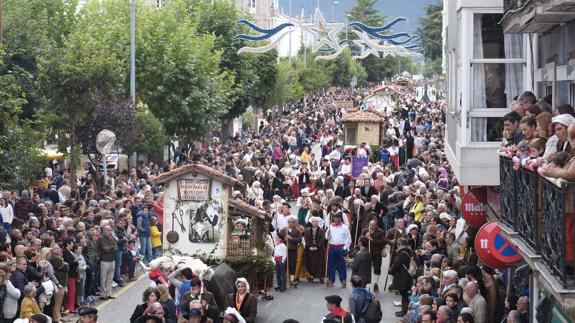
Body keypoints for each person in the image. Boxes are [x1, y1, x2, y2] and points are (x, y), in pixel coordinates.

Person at [325, 212, 351, 288]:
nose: (336, 219)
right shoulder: (330, 226)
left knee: (341, 265)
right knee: (331, 264)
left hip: (341, 247)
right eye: (334, 218)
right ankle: (331, 280)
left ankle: (343, 280)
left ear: (340, 219)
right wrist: (328, 234)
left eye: (337, 218)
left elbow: (348, 239)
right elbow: (326, 238)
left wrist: (344, 248)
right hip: (332, 247)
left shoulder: (344, 227)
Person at [389, 238, 413, 317]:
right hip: (404, 276)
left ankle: (404, 312)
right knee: (404, 295)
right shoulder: (406, 252)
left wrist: (391, 270)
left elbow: (397, 264)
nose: (397, 246)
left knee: (404, 295)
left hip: (403, 277)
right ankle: (403, 311)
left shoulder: (402, 253)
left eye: (398, 244)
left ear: (401, 244)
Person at [361, 219, 385, 292]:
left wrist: (371, 239)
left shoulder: (380, 232)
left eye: (373, 225)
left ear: (376, 225)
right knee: (365, 268)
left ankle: (375, 283)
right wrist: (365, 237)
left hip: (377, 252)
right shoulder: (365, 231)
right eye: (370, 225)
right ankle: (365, 284)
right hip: (367, 252)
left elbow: (382, 243)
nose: (371, 227)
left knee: (377, 267)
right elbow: (362, 241)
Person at [280, 217, 302, 288]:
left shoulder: (297, 231)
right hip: (284, 250)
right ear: (288, 223)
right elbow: (279, 237)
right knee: (284, 264)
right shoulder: (283, 230)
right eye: (289, 222)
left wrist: (291, 238)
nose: (291, 224)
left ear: (294, 223)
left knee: (292, 264)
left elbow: (299, 240)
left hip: (292, 249)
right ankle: (284, 279)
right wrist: (283, 238)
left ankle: (292, 280)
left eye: (292, 222)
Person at [97, 224, 118, 300]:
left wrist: (110, 248)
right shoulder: (101, 238)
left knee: (110, 278)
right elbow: (105, 248)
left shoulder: (111, 238)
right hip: (104, 260)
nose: (108, 231)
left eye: (109, 230)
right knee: (103, 278)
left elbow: (116, 247)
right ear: (103, 230)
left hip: (112, 259)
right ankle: (103, 294)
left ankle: (108, 293)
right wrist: (111, 248)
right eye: (107, 230)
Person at [303, 217, 326, 283]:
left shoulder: (321, 230)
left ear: (317, 222)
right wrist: (309, 246)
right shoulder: (307, 230)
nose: (314, 223)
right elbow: (306, 238)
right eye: (313, 221)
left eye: (315, 221)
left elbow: (322, 239)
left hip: (319, 249)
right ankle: (311, 276)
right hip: (310, 248)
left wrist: (317, 247)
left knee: (320, 263)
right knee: (310, 262)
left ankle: (321, 277)